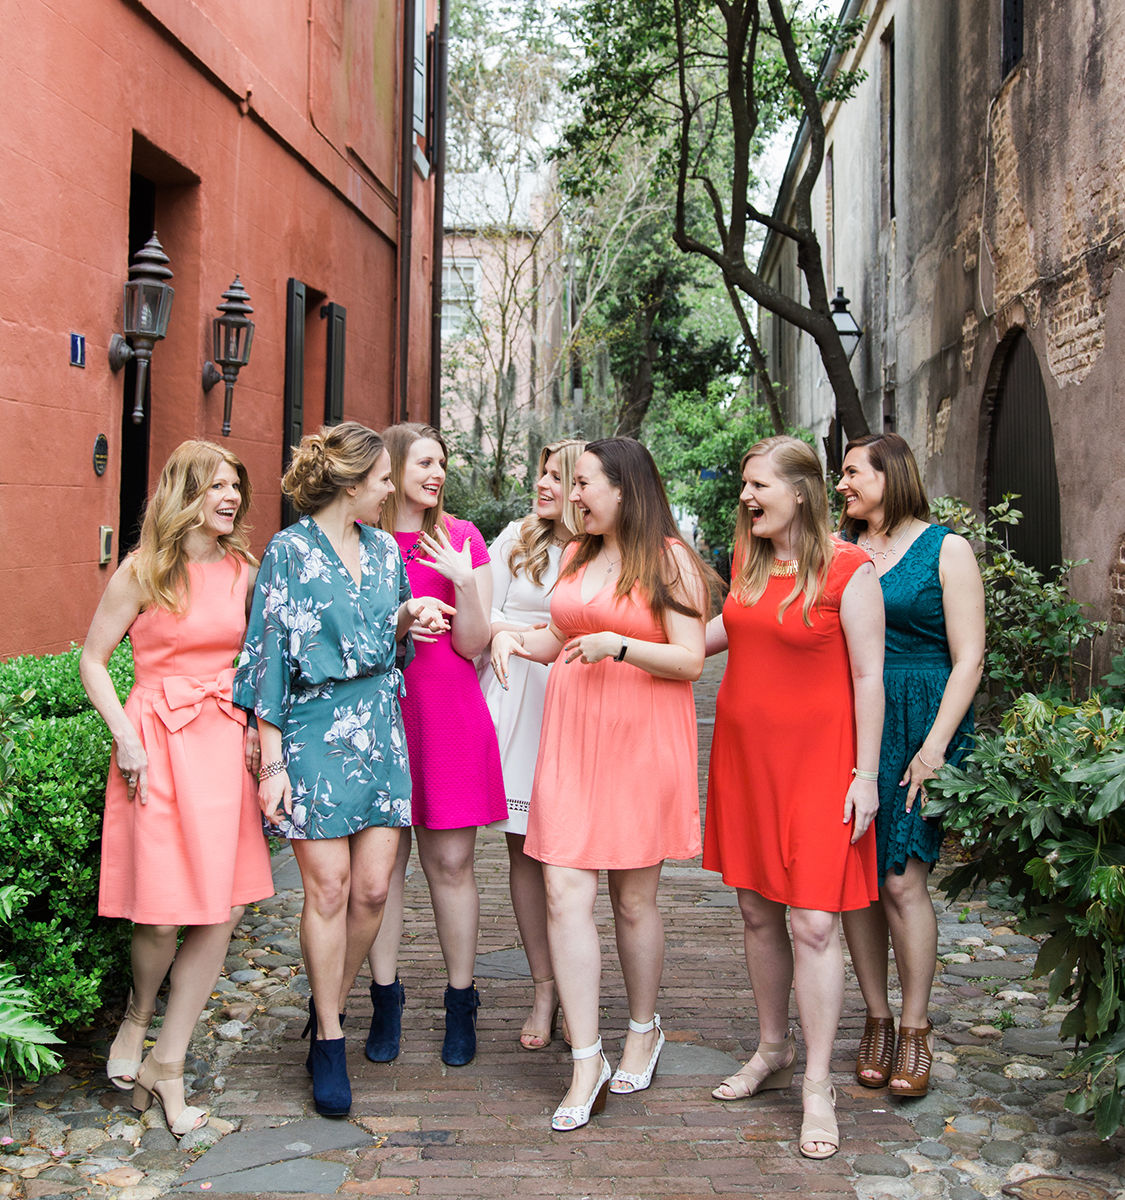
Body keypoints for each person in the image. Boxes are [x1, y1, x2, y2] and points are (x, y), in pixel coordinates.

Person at [490, 437, 715, 1132]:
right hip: (570, 738)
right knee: (563, 889)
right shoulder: (574, 556)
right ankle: (586, 1059)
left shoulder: (670, 561)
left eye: (584, 482)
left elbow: (689, 659)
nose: (573, 494)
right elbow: (557, 639)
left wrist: (619, 646)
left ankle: (644, 1029)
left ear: (624, 488)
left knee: (632, 900)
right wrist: (509, 638)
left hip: (639, 739)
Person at [232, 422, 451, 1118]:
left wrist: (409, 614)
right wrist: (271, 763)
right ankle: (329, 1034)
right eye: (383, 479)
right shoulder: (288, 551)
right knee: (328, 889)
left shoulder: (385, 549)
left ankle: (328, 995)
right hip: (311, 732)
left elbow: (386, 637)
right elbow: (266, 660)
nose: (390, 489)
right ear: (352, 483)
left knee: (374, 890)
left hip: (380, 728)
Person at [80, 440, 274, 1139]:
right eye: (216, 485)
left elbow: (262, 663)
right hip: (156, 742)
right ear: (184, 492)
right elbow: (93, 660)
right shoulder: (143, 571)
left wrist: (258, 731)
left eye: (235, 486)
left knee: (222, 908)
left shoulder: (244, 570)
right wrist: (124, 736)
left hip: (223, 741)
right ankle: (137, 1017)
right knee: (161, 914)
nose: (231, 497)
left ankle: (169, 1059)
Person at [703, 435, 884, 1160]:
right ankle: (772, 1048)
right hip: (745, 763)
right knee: (755, 911)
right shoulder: (747, 564)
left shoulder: (848, 569)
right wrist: (622, 640)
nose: (747, 497)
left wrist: (865, 776)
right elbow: (716, 636)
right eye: (745, 486)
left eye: (760, 486)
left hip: (820, 766)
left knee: (813, 922)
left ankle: (816, 1083)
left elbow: (868, 677)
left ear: (800, 492)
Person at [837, 433, 984, 1098]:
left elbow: (969, 659)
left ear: (889, 475)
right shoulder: (839, 551)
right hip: (852, 724)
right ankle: (876, 1018)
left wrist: (935, 748)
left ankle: (916, 1027)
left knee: (900, 880)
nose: (841, 484)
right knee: (856, 879)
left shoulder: (946, 549)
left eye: (852, 472)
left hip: (924, 721)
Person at [365, 423, 506, 1068]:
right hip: (379, 715)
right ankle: (385, 998)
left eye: (442, 463)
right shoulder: (360, 539)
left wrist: (463, 580)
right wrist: (398, 624)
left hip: (447, 711)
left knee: (451, 863)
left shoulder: (462, 537)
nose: (437, 473)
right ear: (393, 466)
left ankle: (460, 1001)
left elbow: (472, 644)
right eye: (424, 461)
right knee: (382, 867)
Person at [479, 438, 585, 1051]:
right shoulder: (516, 539)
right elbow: (481, 615)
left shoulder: (602, 547)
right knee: (523, 853)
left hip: (576, 700)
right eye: (541, 474)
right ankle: (544, 987)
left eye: (556, 477)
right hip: (519, 702)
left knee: (570, 861)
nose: (542, 485)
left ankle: (577, 986)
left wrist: (518, 632)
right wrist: (506, 633)